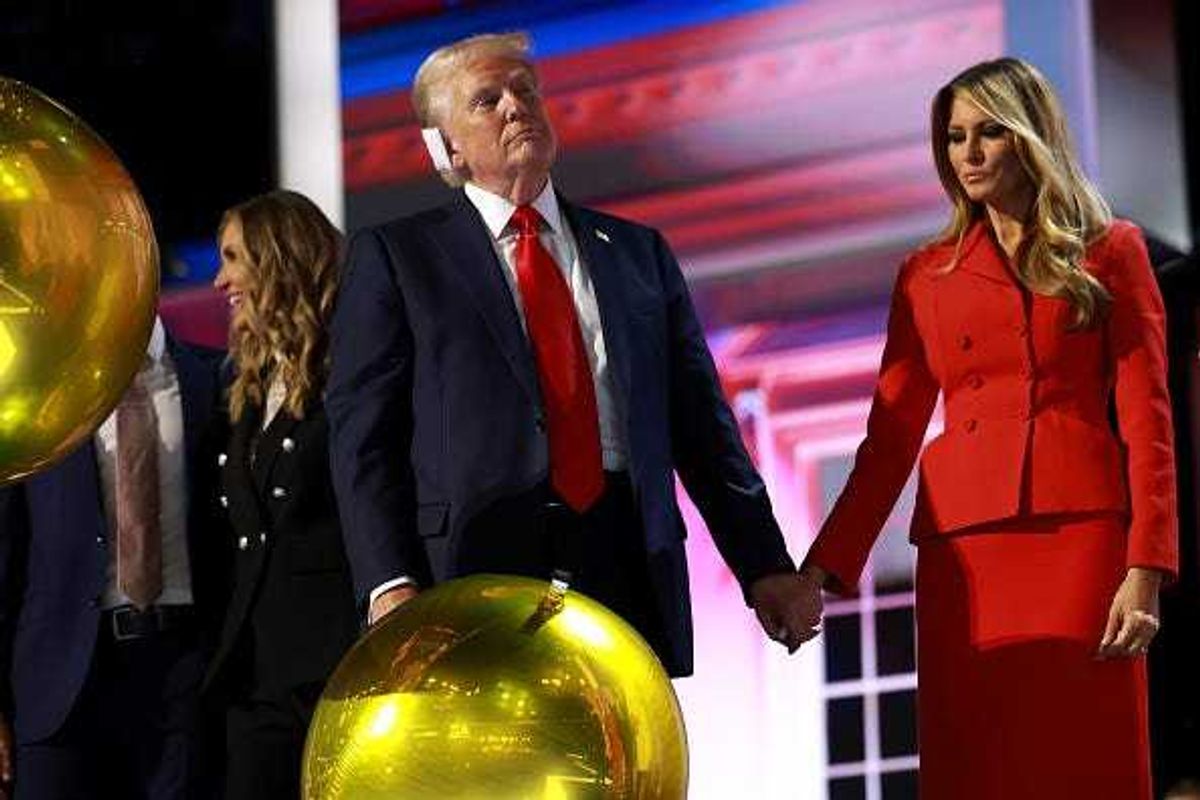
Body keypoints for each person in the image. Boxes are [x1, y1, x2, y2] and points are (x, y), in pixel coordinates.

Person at [327, 31, 814, 678]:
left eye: (526, 91)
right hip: (475, 568)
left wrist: (765, 564)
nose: (515, 107)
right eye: (487, 100)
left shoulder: (637, 253)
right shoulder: (398, 257)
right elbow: (364, 437)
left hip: (625, 557)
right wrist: (390, 580)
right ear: (446, 149)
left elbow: (703, 428)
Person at [794, 57, 1177, 798]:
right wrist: (822, 570)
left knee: (1083, 748)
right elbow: (891, 436)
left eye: (988, 133)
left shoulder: (1111, 250)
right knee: (980, 755)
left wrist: (1147, 568)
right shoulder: (924, 275)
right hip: (965, 548)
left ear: (1030, 138)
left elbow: (1147, 415)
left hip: (1083, 538)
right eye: (954, 136)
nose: (966, 153)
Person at [0, 316, 228, 799]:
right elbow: (6, 549)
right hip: (57, 684)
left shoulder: (217, 380)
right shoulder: (41, 394)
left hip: (185, 674)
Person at [204, 190, 359, 799]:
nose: (219, 280)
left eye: (234, 257)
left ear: (279, 258)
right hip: (256, 682)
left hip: (339, 678)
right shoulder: (245, 388)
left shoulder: (357, 369)